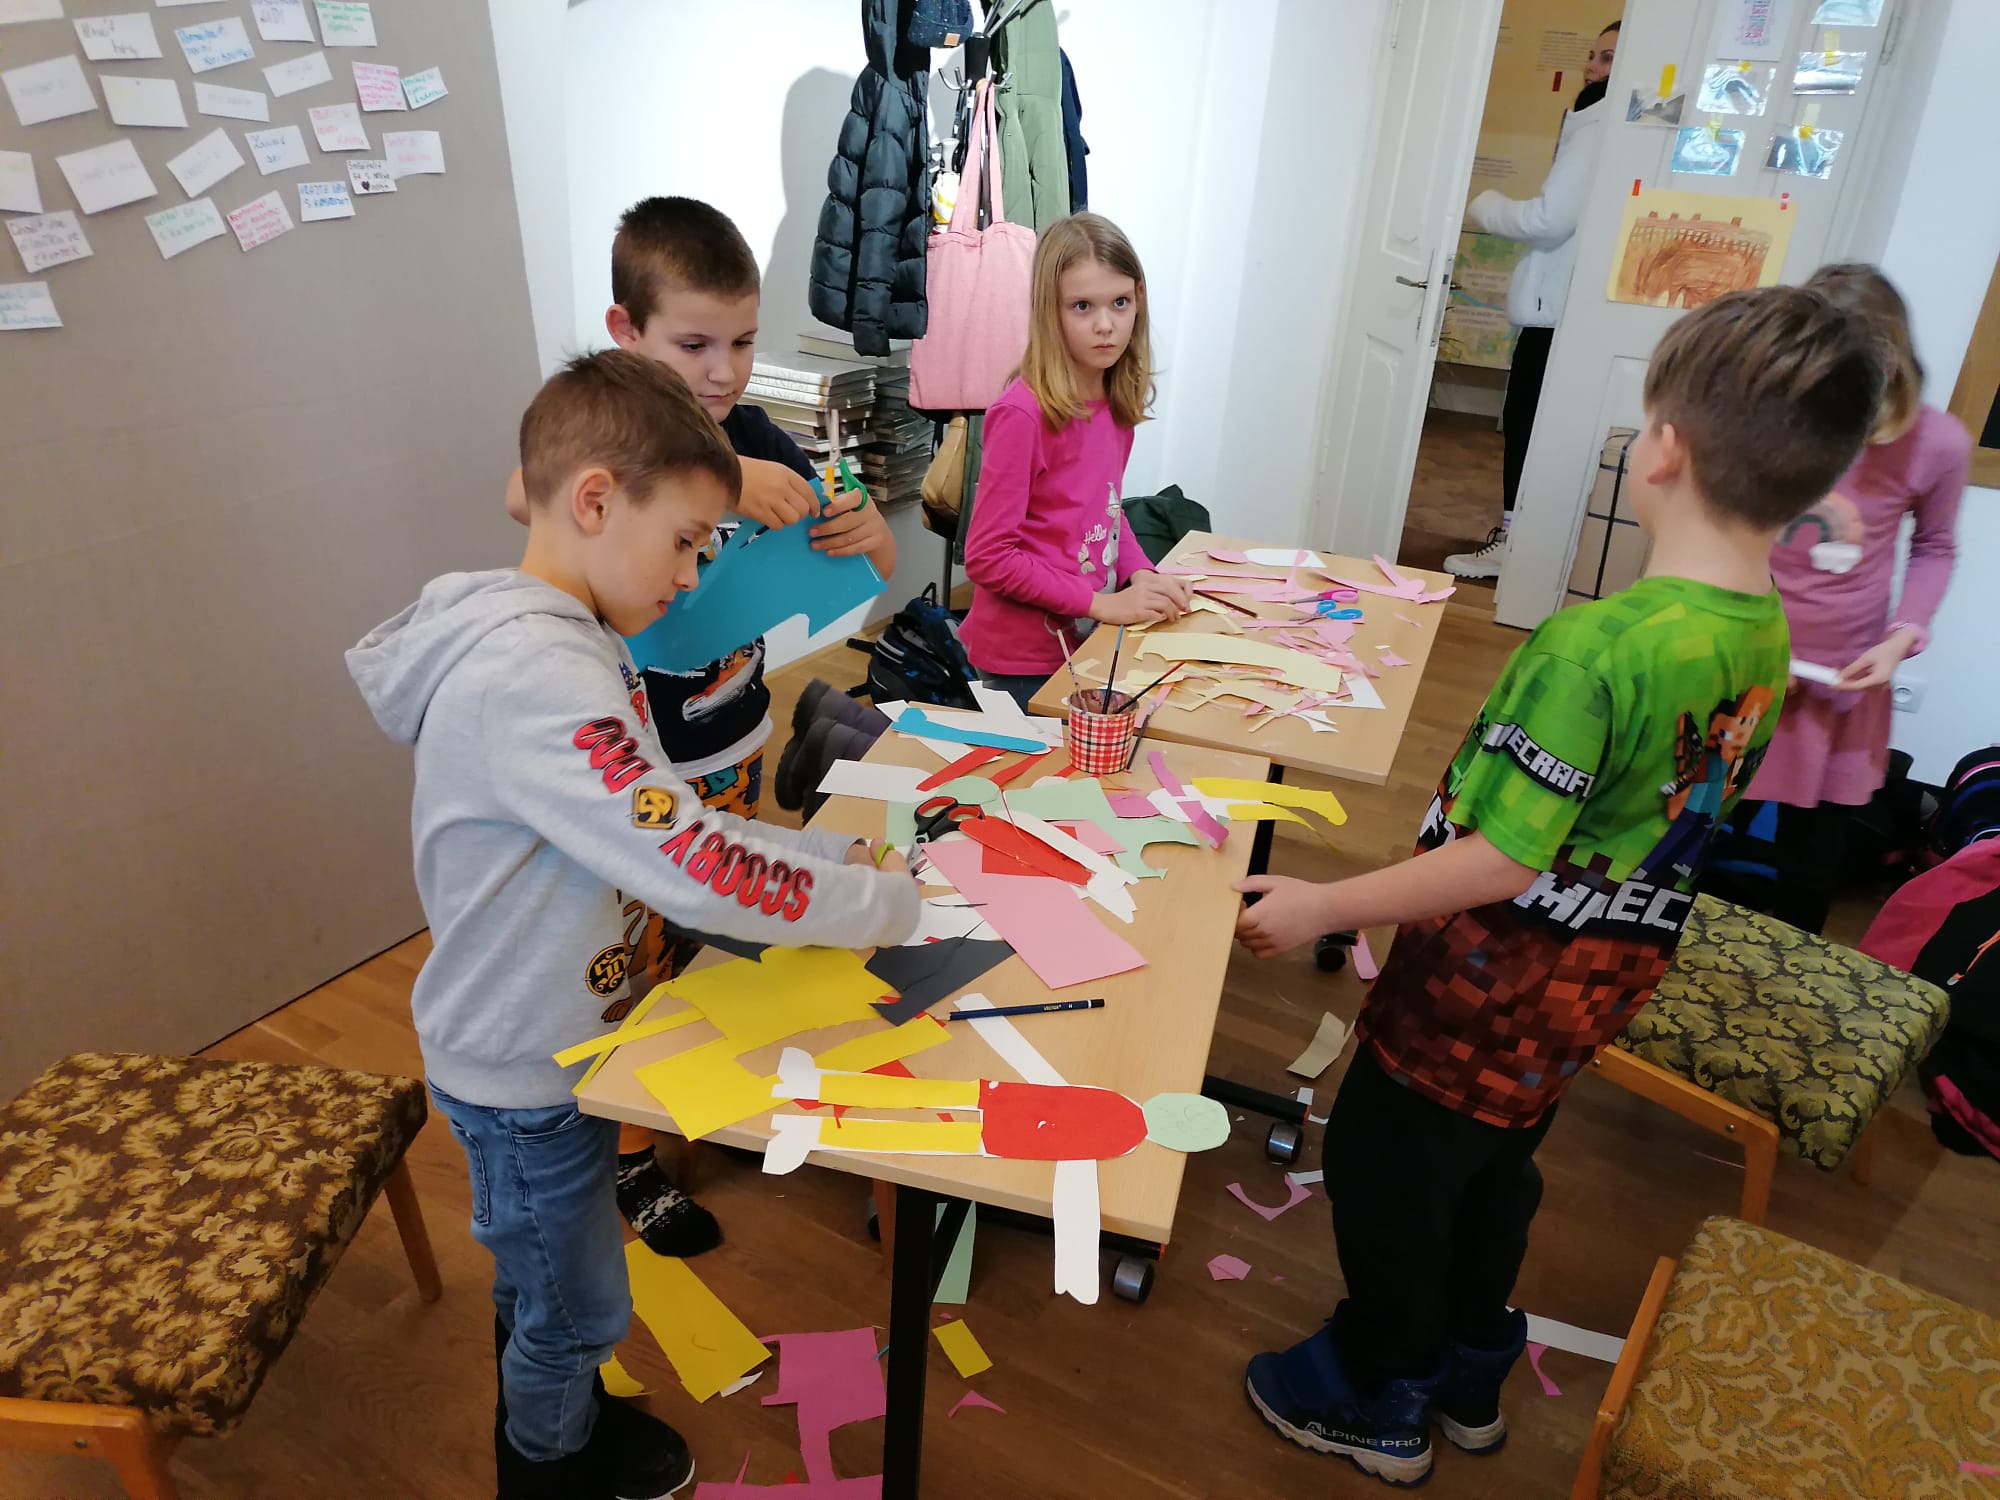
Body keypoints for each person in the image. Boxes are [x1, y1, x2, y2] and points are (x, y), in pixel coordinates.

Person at [1234, 285, 1883, 1487]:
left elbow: (1504, 856)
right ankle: (1471, 1366)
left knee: (1385, 1169)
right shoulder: (1762, 629)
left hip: (1479, 989)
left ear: (1663, 451)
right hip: (1591, 990)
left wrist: (1322, 903)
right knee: (1494, 1169)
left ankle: (1377, 1391)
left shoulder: (1597, 648)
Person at [351, 350, 920, 1500]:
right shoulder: (535, 677)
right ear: (598, 501)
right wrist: (875, 900)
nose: (693, 573)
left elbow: (664, 819)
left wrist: (824, 856)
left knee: (548, 1288)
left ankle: (555, 1409)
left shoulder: (574, 642)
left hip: (562, 1044)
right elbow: (692, 863)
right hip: (525, 1071)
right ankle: (546, 1466)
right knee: (573, 1307)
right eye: (687, 542)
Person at [505, 196, 899, 1257]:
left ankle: (699, 1090)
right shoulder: (603, 433)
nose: (724, 372)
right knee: (634, 959)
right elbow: (520, 497)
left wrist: (861, 522)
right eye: (693, 345)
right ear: (625, 330)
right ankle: (631, 1153)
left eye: (743, 342)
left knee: (712, 939)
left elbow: (873, 565)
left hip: (730, 746)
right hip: (625, 772)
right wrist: (724, 486)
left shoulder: (758, 435)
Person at [1736, 263, 1969, 934]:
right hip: (1745, 657)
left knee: (1812, 854)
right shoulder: (1763, 417)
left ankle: (1783, 965)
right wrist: (1750, 644)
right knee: (1691, 822)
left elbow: (1935, 547)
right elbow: (1725, 527)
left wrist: (1901, 639)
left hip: (1842, 681)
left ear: (1890, 367)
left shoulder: (1938, 443)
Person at [958, 212, 1193, 708]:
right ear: (1050, 311)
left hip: (1086, 638)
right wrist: (1101, 604)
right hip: (1022, 659)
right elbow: (988, 556)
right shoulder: (1022, 414)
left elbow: (1105, 514)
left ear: (1139, 300)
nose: (1106, 325)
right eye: (1082, 306)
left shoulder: (1116, 400)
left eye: (1120, 302)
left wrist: (1141, 573)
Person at [1446, 20, 1620, 581]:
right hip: (1569, 311)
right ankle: (1523, 544)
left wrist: (1485, 205)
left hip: (1554, 318)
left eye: (1607, 58)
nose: (1591, 67)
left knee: (1527, 427)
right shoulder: (1601, 123)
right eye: (1593, 55)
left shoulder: (1598, 126)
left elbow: (1548, 220)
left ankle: (1516, 548)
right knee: (1533, 429)